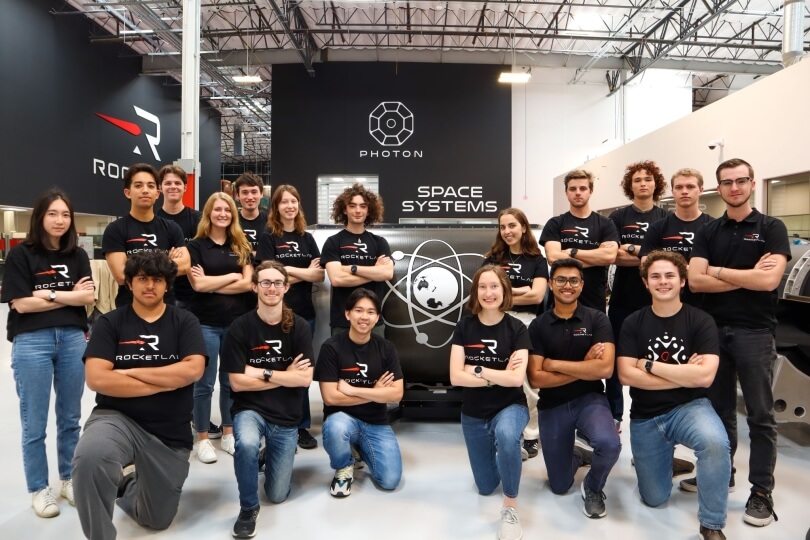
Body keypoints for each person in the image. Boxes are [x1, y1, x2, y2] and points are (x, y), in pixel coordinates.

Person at [71, 251, 206, 540]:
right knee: (90, 457)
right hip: (117, 418)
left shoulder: (185, 321)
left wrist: (125, 372)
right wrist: (167, 379)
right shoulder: (110, 323)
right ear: (129, 283)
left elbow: (193, 370)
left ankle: (126, 484)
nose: (149, 286)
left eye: (157, 279)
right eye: (142, 278)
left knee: (155, 519)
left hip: (170, 431)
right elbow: (96, 378)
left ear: (167, 285)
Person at [687, 158, 790, 527]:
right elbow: (695, 282)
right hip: (712, 332)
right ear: (719, 188)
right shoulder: (709, 230)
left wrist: (716, 270)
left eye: (740, 181)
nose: (734, 187)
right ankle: (722, 473)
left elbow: (768, 282)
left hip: (755, 333)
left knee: (761, 416)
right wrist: (745, 276)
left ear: (751, 183)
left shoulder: (771, 227)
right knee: (718, 413)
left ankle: (761, 491)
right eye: (727, 182)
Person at [617, 251, 730, 540]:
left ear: (682, 281)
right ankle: (666, 461)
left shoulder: (700, 321)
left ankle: (712, 524)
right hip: (645, 417)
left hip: (690, 406)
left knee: (716, 443)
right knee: (654, 498)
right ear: (645, 283)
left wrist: (650, 366)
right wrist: (682, 374)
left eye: (670, 276)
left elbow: (705, 377)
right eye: (655, 276)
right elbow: (626, 376)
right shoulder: (633, 322)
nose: (662, 281)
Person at [1, 188, 95, 518]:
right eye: (53, 213)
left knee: (70, 418)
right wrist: (66, 294)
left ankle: (68, 478)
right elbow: (21, 304)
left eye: (65, 214)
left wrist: (48, 293)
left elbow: (88, 298)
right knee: (34, 423)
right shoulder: (21, 255)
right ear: (40, 217)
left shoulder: (77, 255)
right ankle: (39, 488)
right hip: (31, 342)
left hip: (72, 339)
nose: (59, 220)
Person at [222, 261, 314, 538]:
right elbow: (237, 383)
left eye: (277, 283)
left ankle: (266, 457)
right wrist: (283, 374)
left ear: (286, 287)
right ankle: (248, 509)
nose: (271, 288)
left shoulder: (298, 327)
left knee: (277, 495)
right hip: (250, 409)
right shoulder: (239, 328)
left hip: (286, 416)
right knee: (246, 443)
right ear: (254, 287)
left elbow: (304, 379)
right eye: (265, 282)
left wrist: (259, 371)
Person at [527, 258, 621, 519]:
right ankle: (577, 455)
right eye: (560, 280)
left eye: (573, 280)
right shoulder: (539, 326)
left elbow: (605, 370)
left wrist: (554, 364)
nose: (567, 286)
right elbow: (536, 378)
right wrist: (583, 366)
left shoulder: (598, 320)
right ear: (550, 284)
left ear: (582, 285)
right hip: (552, 404)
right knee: (558, 486)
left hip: (590, 399)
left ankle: (593, 487)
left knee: (609, 444)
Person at [449, 265, 530, 540]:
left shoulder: (517, 328)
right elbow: (455, 376)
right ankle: (508, 455)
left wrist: (479, 370)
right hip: (473, 413)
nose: (488, 292)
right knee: (485, 487)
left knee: (507, 434)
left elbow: (516, 379)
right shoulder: (465, 326)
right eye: (482, 287)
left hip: (510, 406)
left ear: (504, 290)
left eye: (494, 286)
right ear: (476, 292)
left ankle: (510, 506)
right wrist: (499, 374)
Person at [314, 289, 403, 498]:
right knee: (335, 428)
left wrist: (354, 390)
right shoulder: (331, 348)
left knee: (390, 481)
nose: (364, 317)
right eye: (359, 310)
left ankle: (358, 448)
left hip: (376, 422)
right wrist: (376, 393)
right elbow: (330, 397)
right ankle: (344, 466)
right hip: (343, 419)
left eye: (371, 312)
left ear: (377, 318)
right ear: (347, 314)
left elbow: (396, 394)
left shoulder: (386, 348)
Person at [187, 192, 255, 463]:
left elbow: (248, 284)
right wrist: (231, 276)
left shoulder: (241, 245)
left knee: (230, 382)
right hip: (205, 324)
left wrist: (213, 282)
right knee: (203, 384)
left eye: (227, 210)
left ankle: (228, 433)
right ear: (209, 213)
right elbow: (198, 286)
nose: (222, 214)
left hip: (236, 324)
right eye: (217, 210)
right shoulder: (196, 247)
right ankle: (202, 438)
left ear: (233, 214)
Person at [257, 184, 324, 450]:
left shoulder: (306, 238)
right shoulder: (268, 237)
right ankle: (274, 423)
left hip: (304, 314)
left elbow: (319, 274)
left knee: (301, 370)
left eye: (293, 201)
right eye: (284, 202)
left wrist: (284, 273)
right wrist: (302, 272)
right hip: (275, 314)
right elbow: (267, 275)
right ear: (276, 207)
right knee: (277, 369)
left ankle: (301, 426)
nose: (289, 206)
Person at [607, 161, 669, 433]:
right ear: (629, 186)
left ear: (656, 184)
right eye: (637, 180)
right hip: (622, 299)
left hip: (656, 303)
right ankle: (614, 415)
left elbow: (668, 259)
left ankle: (651, 415)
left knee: (654, 358)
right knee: (616, 359)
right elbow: (613, 256)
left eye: (648, 179)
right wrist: (650, 255)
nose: (643, 183)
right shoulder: (618, 218)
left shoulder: (665, 219)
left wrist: (632, 249)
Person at [483, 208, 548, 460]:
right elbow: (484, 293)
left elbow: (538, 295)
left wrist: (503, 291)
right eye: (502, 227)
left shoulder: (537, 260)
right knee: (496, 379)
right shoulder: (492, 259)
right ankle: (502, 433)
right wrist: (521, 289)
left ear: (523, 227)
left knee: (526, 382)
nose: (507, 231)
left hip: (526, 323)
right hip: (494, 322)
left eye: (512, 225)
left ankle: (531, 435)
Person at [102, 163, 190, 307]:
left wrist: (134, 266)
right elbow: (121, 275)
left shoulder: (172, 228)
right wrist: (166, 261)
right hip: (129, 309)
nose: (145, 190)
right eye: (138, 185)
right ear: (127, 192)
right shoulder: (115, 229)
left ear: (157, 193)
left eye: (150, 186)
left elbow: (185, 265)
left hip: (166, 307)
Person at [540, 169, 618, 312]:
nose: (577, 192)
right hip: (559, 303)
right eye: (572, 189)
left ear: (591, 191)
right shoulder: (555, 223)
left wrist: (572, 252)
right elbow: (553, 258)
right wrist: (596, 256)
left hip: (594, 302)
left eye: (583, 188)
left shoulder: (606, 224)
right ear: (566, 192)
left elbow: (610, 256)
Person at [321, 183, 393, 335]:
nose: (358, 210)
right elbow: (337, 279)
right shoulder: (333, 242)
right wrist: (374, 273)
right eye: (352, 206)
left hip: (373, 322)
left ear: (369, 211)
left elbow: (387, 273)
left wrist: (352, 268)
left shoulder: (379, 242)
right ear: (344, 210)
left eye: (363, 206)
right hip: (342, 323)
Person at [640, 167, 714, 307]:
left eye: (690, 186)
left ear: (701, 190)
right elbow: (646, 266)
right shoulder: (658, 228)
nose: (684, 191)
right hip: (667, 305)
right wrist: (696, 270)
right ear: (673, 191)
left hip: (707, 305)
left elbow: (721, 265)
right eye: (679, 187)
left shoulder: (714, 227)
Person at [233, 172, 267, 254]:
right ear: (237, 195)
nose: (250, 197)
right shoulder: (231, 221)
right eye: (245, 192)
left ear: (261, 194)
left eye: (254, 192)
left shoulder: (270, 222)